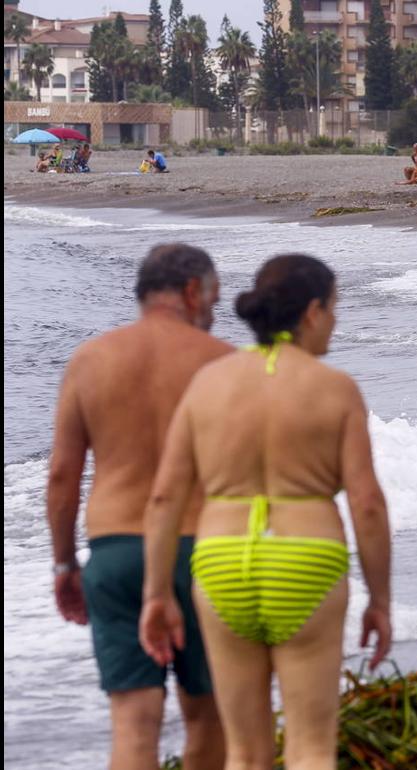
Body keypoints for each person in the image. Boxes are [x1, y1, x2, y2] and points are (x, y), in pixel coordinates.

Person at [139, 254, 393, 769]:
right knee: (310, 748)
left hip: (221, 564)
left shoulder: (208, 383)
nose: (336, 321)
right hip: (306, 563)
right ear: (313, 312)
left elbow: (165, 497)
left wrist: (157, 594)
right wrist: (380, 599)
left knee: (246, 754)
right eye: (335, 308)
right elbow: (366, 503)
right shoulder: (334, 388)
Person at [46, 243, 231, 770]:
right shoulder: (222, 363)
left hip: (116, 552)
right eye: (213, 297)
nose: (213, 310)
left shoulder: (91, 360)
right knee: (208, 717)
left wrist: (65, 564)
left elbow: (62, 476)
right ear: (193, 292)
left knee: (132, 723)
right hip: (206, 553)